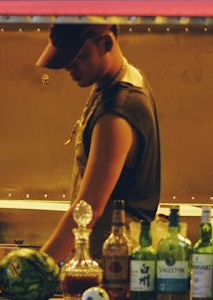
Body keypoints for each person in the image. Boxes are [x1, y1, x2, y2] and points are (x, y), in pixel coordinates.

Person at [37, 21, 160, 262]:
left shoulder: (116, 113)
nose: (69, 67)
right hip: (104, 252)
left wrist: (42, 265)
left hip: (112, 262)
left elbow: (90, 206)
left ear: (106, 43)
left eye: (79, 56)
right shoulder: (124, 79)